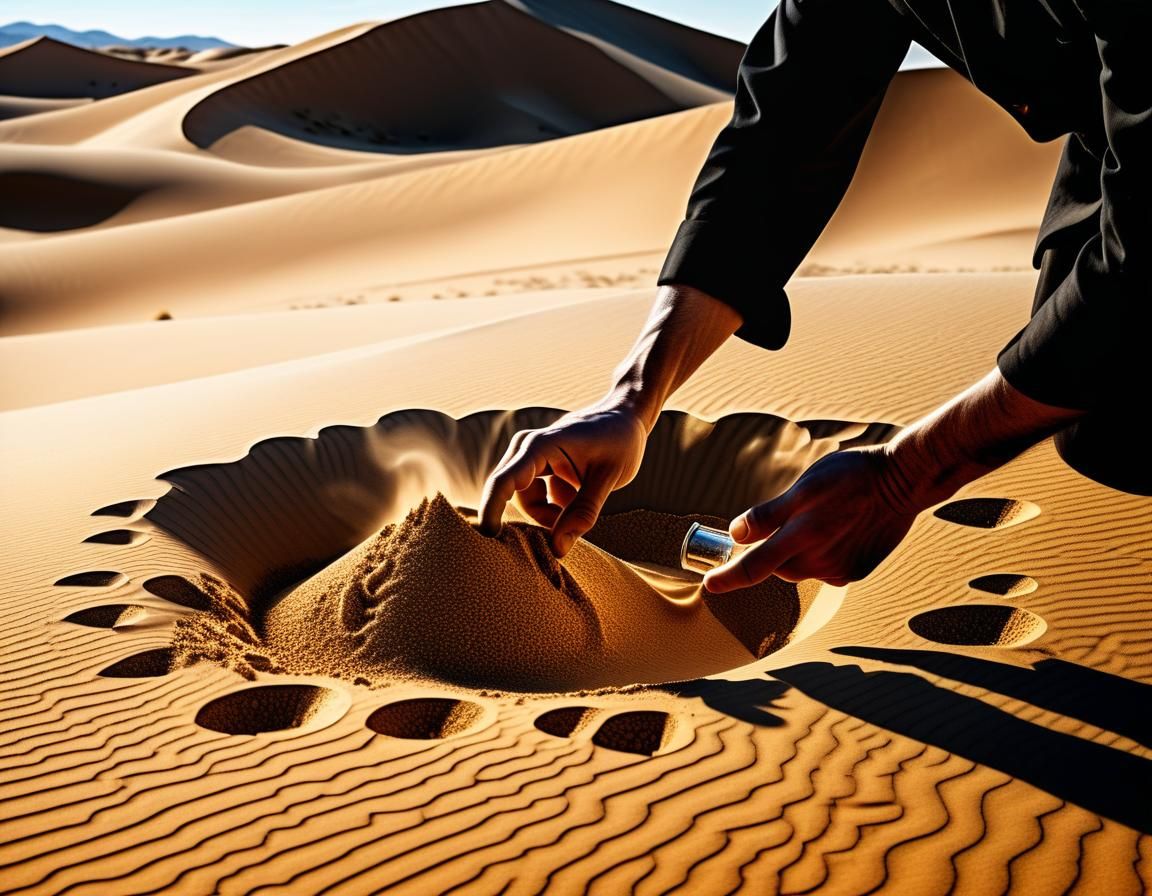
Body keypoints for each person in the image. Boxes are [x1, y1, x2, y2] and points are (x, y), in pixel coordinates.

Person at [479, 0, 1150, 593]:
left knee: (1116, 386)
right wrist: (632, 398)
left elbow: (1139, 268)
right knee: (1101, 426)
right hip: (1111, 128)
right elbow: (778, 139)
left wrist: (902, 478)